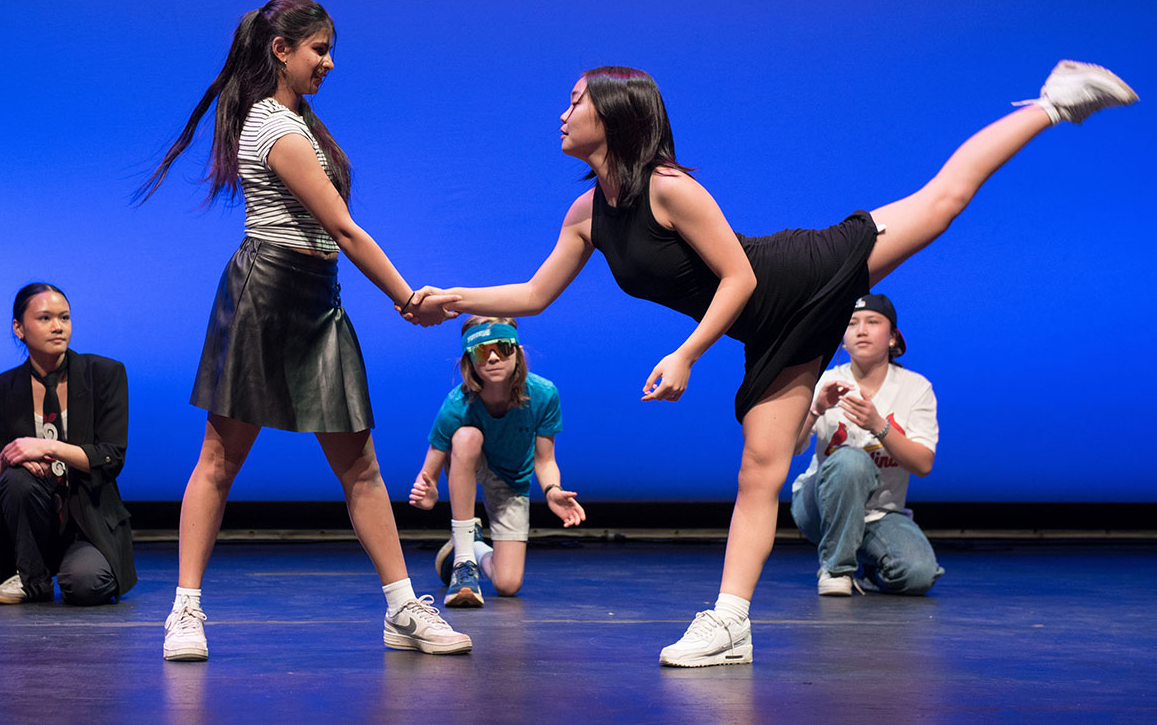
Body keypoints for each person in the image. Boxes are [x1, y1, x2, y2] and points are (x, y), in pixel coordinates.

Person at [406, 60, 1137, 666]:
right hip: (767, 331)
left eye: (575, 102)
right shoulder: (587, 214)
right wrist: (456, 297)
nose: (562, 114)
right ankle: (730, 623)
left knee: (940, 205)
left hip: (795, 274)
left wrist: (688, 352)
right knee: (759, 468)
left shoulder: (670, 188)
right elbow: (535, 293)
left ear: (615, 116)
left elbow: (741, 278)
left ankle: (1053, 101)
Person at [137, 0, 468, 661]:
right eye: (318, 48)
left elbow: (332, 234)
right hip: (263, 298)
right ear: (279, 51)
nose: (329, 61)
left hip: (318, 300)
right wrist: (408, 298)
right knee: (220, 458)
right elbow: (344, 229)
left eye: (329, 47)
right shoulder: (272, 127)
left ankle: (402, 606)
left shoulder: (303, 122)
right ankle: (185, 610)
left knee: (362, 466)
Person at [0, 283, 137, 606]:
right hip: (30, 529)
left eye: (64, 317)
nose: (58, 327)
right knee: (16, 478)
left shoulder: (104, 375)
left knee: (86, 584)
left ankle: (67, 570)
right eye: (45, 318)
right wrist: (12, 456)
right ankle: (32, 579)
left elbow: (111, 457)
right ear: (18, 329)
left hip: (88, 523)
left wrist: (47, 448)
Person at [407, 316, 584, 607]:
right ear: (469, 361)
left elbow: (544, 459)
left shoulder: (544, 394)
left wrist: (552, 490)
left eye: (502, 348)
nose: (492, 358)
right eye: (480, 351)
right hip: (468, 463)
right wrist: (427, 493)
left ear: (517, 351)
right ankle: (463, 564)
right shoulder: (456, 404)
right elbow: (428, 475)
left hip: (512, 478)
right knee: (466, 437)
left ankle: (472, 544)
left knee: (507, 584)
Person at [791, 293, 942, 597]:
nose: (861, 330)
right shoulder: (823, 382)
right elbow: (790, 448)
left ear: (892, 337)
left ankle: (863, 567)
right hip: (817, 505)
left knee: (918, 575)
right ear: (842, 339)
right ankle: (835, 569)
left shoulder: (916, 388)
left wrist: (879, 426)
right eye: (851, 324)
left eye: (873, 322)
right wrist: (816, 409)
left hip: (880, 513)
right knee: (851, 461)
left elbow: (923, 464)